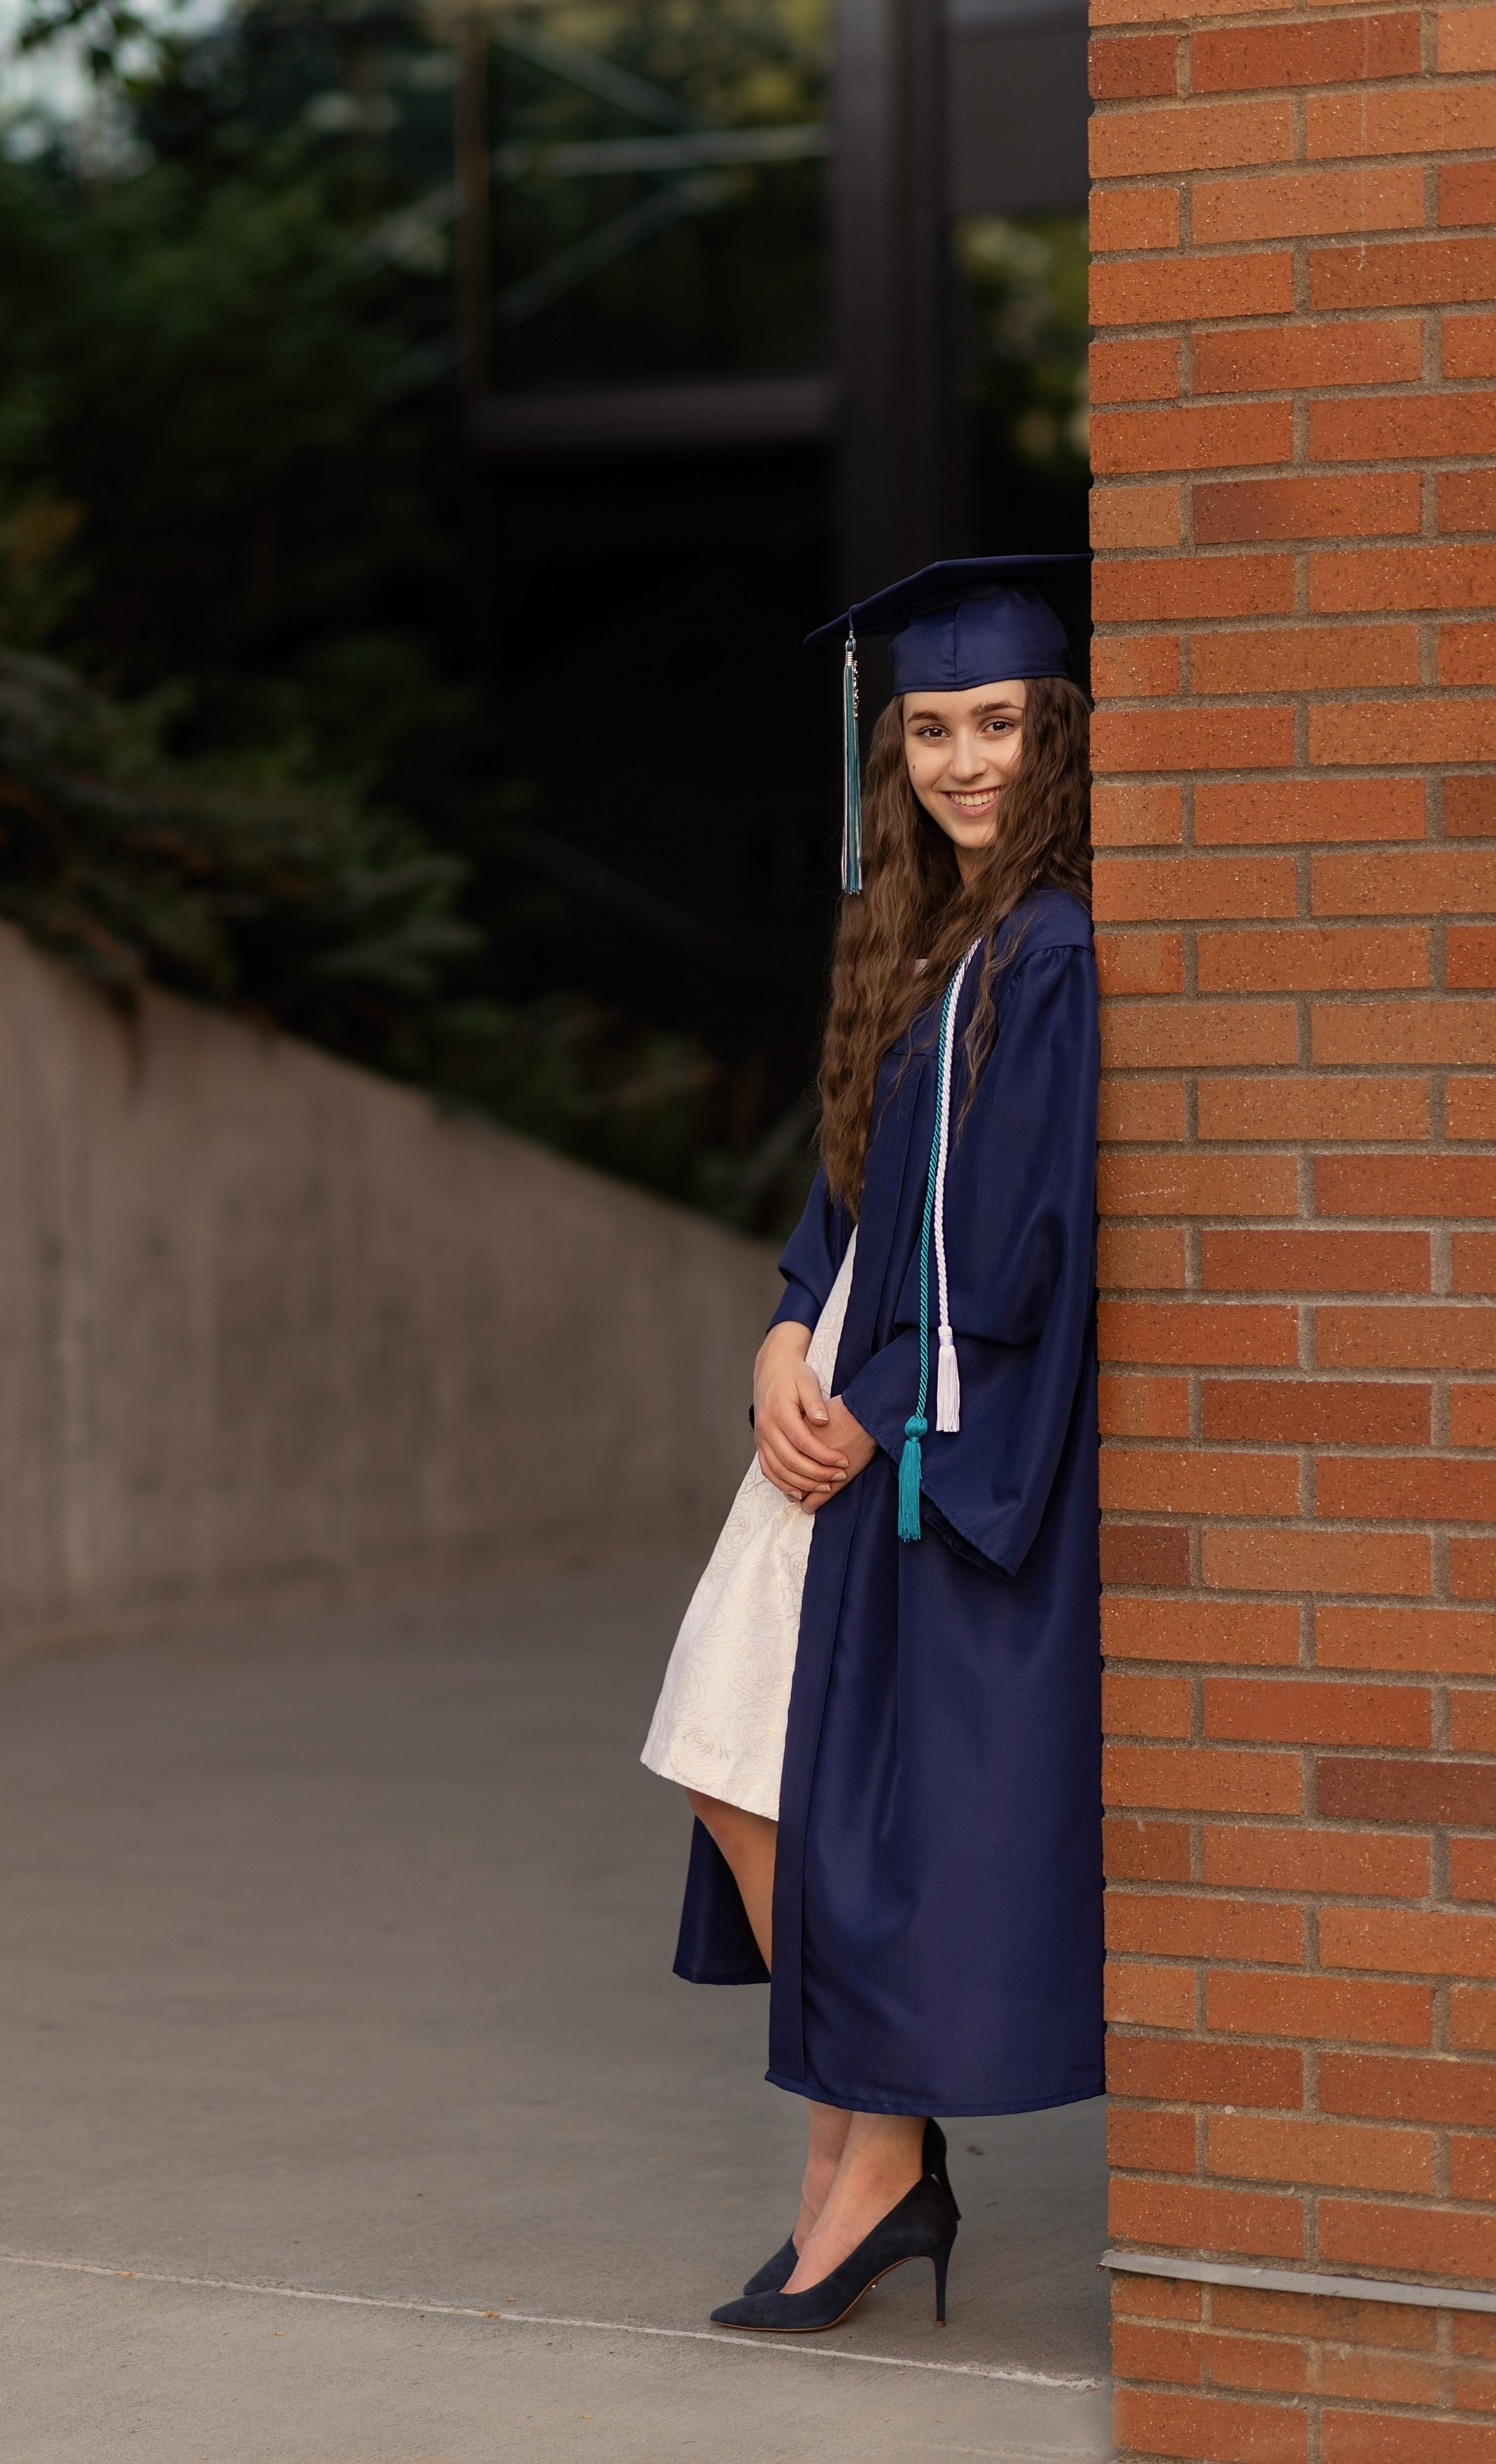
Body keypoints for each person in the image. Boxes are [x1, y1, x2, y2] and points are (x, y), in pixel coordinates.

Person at [642, 553, 1103, 2335]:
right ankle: (877, 2145)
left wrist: (888, 1410)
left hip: (915, 1422)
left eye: (999, 723)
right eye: (933, 728)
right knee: (733, 1752)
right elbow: (846, 1187)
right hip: (837, 1387)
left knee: (781, 1765)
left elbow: (1026, 1252)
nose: (967, 761)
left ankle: (873, 2160)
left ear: (1055, 731)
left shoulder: (1051, 947)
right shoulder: (923, 932)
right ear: (892, 744)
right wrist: (779, 1324)